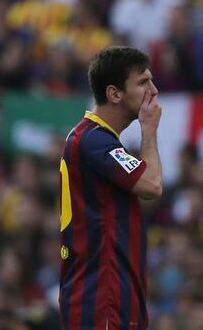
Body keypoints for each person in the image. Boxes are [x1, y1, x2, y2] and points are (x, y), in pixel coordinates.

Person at [59, 45, 163, 329]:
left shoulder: (93, 139)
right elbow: (152, 185)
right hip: (103, 298)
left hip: (109, 295)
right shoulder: (94, 141)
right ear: (114, 94)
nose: (153, 91)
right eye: (143, 82)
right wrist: (149, 131)